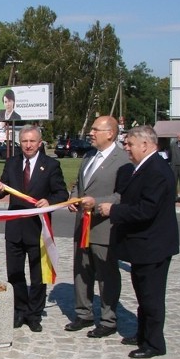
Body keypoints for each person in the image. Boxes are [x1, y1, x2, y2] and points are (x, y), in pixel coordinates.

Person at [98, 125, 179, 359]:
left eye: (130, 144)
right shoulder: (143, 167)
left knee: (151, 297)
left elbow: (146, 210)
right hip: (142, 246)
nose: (126, 148)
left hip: (153, 245)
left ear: (145, 144)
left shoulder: (156, 170)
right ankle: (143, 333)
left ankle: (154, 344)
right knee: (143, 295)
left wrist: (114, 210)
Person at [0, 125, 68, 333]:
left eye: (32, 141)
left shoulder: (51, 165)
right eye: (24, 141)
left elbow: (62, 194)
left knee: (38, 276)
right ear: (20, 143)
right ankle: (19, 310)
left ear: (40, 143)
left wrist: (49, 200)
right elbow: (3, 190)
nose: (28, 145)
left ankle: (34, 314)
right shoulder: (12, 163)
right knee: (15, 273)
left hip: (38, 229)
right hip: (15, 229)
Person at [65, 116, 130, 338]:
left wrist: (98, 201)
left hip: (105, 226)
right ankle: (83, 314)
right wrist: (74, 197)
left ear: (110, 133)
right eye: (91, 128)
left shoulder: (122, 160)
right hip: (82, 225)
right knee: (82, 271)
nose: (90, 133)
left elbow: (123, 195)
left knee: (106, 274)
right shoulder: (89, 156)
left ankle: (108, 318)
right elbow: (79, 185)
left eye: (95, 129)